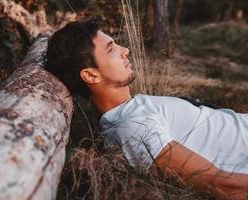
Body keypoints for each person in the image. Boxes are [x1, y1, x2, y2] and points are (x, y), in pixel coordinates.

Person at [45, 19, 248, 199]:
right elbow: (221, 185)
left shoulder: (131, 108)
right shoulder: (132, 129)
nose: (125, 50)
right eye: (110, 49)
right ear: (91, 76)